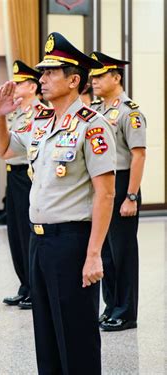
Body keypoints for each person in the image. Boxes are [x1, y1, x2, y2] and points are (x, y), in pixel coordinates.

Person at [0, 32, 116, 374]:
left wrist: (93, 255)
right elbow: (3, 150)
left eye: (50, 73)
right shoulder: (42, 123)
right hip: (40, 240)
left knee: (76, 335)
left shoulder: (93, 126)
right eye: (42, 72)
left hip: (72, 242)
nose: (41, 78)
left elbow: (105, 194)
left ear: (74, 80)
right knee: (45, 333)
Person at [90, 52, 147, 331]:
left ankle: (126, 312)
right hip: (104, 184)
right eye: (93, 77)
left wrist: (132, 196)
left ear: (116, 77)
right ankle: (111, 305)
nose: (94, 81)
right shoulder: (99, 111)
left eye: (100, 75)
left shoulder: (129, 111)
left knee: (123, 252)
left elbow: (138, 155)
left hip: (124, 183)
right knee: (107, 252)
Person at [0, 60, 44, 310]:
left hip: (27, 175)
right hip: (12, 175)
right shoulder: (15, 112)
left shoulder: (40, 113)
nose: (14, 86)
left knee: (28, 233)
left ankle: (35, 288)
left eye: (18, 83)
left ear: (31, 85)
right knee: (14, 233)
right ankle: (24, 284)